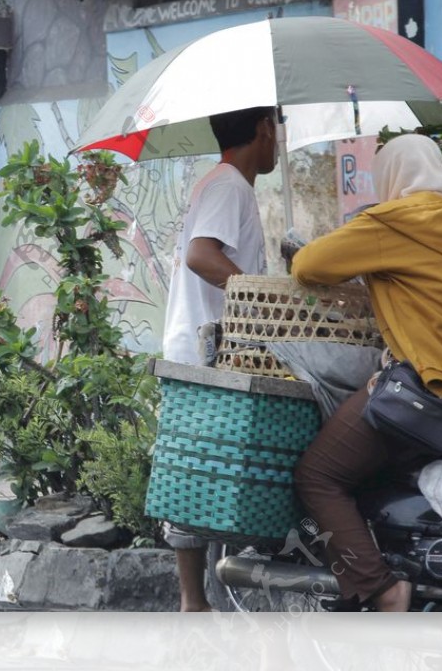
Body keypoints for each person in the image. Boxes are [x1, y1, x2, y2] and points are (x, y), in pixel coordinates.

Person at [291, 133, 442, 612]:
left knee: (318, 476)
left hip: (427, 393)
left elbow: (308, 265)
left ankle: (383, 589)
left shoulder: (393, 223)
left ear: (391, 179)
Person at [162, 104, 280, 611]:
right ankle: (195, 605)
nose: (279, 139)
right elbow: (200, 255)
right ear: (263, 129)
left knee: (198, 476)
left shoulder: (223, 183)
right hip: (205, 355)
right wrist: (262, 297)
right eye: (278, 128)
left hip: (201, 351)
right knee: (197, 478)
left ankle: (198, 605)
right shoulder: (229, 184)